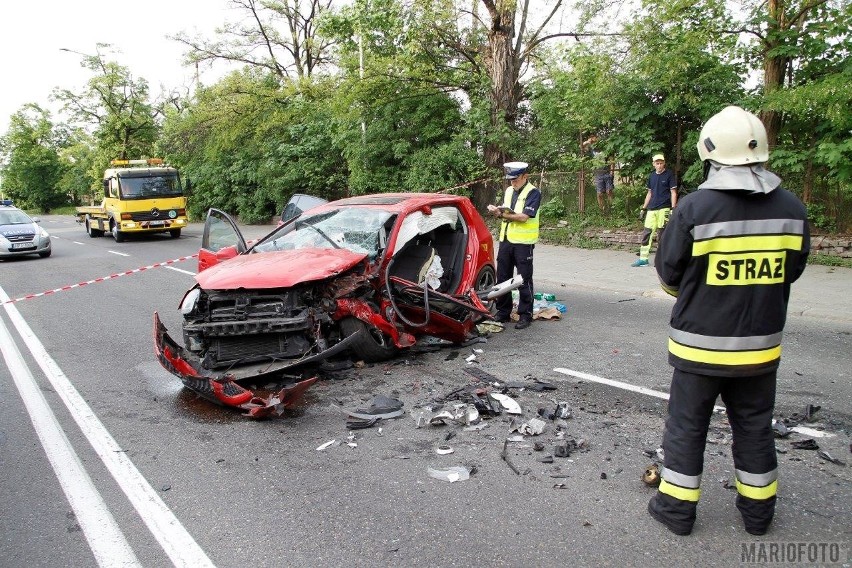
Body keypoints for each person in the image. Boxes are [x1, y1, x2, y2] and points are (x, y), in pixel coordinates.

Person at [648, 106, 810, 536]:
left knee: (687, 427)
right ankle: (759, 517)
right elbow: (791, 272)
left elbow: (668, 278)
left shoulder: (696, 209)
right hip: (760, 349)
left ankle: (676, 511)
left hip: (698, 347)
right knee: (756, 427)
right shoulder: (792, 208)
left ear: (712, 154)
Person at [487, 161, 542, 330]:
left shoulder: (533, 192)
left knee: (523, 279)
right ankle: (503, 312)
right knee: (503, 277)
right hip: (506, 240)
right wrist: (499, 213)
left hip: (523, 244)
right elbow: (508, 213)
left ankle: (525, 315)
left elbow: (525, 217)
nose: (513, 182)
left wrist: (501, 214)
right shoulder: (509, 191)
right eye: (510, 179)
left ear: (525, 176)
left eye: (516, 179)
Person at [632, 153, 678, 266]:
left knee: (662, 235)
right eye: (657, 163)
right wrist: (643, 208)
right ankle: (643, 259)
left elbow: (673, 192)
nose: (659, 165)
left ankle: (662, 260)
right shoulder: (652, 176)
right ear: (653, 164)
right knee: (647, 233)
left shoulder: (669, 175)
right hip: (652, 209)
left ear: (664, 163)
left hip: (664, 208)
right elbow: (649, 193)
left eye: (661, 163)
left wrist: (673, 208)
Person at [583, 135, 614, 212]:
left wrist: (612, 173)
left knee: (609, 191)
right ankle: (602, 210)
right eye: (593, 138)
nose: (595, 139)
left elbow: (612, 160)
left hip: (607, 173)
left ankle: (611, 209)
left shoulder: (606, 149)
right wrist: (587, 141)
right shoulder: (591, 150)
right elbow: (581, 147)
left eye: (596, 138)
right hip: (598, 174)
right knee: (599, 193)